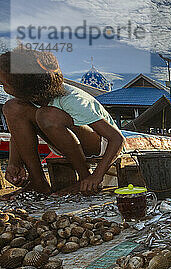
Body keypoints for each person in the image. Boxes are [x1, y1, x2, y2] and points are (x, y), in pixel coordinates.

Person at [0, 48, 124, 195]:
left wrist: (95, 177)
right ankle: (38, 182)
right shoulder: (20, 97)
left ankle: (84, 177)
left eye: (4, 84)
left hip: (97, 144)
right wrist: (14, 162)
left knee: (46, 115)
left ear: (26, 87)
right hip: (62, 142)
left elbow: (116, 139)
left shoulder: (73, 98)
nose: (3, 87)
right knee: (12, 107)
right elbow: (18, 131)